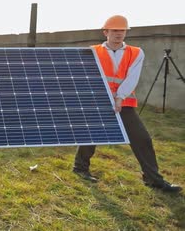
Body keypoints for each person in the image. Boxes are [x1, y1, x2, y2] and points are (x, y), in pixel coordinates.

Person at [73, 15, 181, 193]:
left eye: (122, 30)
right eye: (114, 30)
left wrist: (119, 97)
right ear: (105, 32)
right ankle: (80, 168)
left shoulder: (136, 52)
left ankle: (152, 179)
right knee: (90, 133)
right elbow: (87, 77)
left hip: (124, 102)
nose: (119, 34)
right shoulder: (92, 51)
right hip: (99, 100)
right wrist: (101, 98)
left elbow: (132, 77)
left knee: (142, 138)